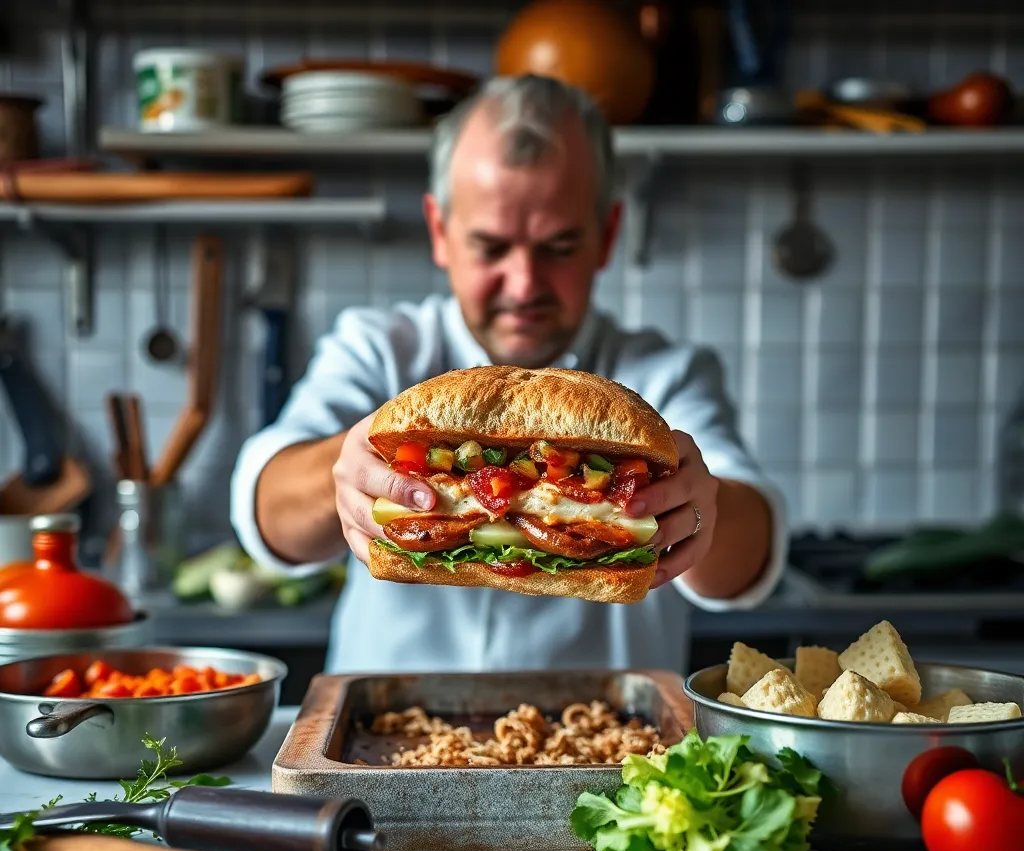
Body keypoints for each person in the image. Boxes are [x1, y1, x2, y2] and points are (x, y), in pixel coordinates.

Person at [230, 74, 787, 675]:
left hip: (607, 748)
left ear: (606, 236)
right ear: (440, 232)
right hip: (392, 740)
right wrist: (343, 471)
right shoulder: (378, 348)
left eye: (560, 246)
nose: (524, 285)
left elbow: (748, 558)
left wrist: (702, 507)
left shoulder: (666, 374)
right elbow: (266, 511)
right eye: (491, 247)